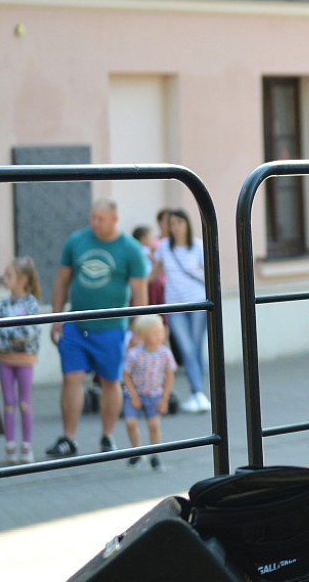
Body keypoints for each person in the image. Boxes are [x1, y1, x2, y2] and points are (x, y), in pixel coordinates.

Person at [47, 199, 148, 457]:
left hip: (111, 328)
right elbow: (61, 281)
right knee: (71, 378)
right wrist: (56, 317)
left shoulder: (131, 249)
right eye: (92, 217)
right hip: (76, 326)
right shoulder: (77, 241)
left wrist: (139, 331)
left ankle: (107, 436)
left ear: (114, 219)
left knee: (110, 382)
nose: (95, 223)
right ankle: (68, 438)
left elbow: (140, 293)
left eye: (101, 218)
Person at [151, 209, 208, 413]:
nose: (175, 227)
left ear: (187, 224)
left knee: (196, 348)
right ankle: (198, 393)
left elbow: (210, 273)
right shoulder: (164, 247)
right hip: (174, 305)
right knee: (186, 349)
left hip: (198, 303)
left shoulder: (199, 246)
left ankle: (197, 393)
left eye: (179, 223)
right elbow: (154, 274)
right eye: (172, 223)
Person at [0, 256, 42, 465]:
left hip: (25, 360)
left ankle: (26, 446)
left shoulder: (31, 303)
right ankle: (10, 447)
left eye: (9, 276)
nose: (4, 279)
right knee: (8, 403)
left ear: (23, 279)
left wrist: (14, 336)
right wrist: (11, 339)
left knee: (24, 403)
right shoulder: (2, 305)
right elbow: (0, 330)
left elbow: (32, 329)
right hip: (5, 359)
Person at [122, 314, 175, 472]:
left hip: (154, 395)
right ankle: (137, 451)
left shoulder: (165, 354)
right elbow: (126, 374)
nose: (160, 336)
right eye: (156, 333)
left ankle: (155, 455)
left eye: (162, 332)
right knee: (130, 422)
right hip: (135, 394)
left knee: (153, 425)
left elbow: (170, 375)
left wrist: (165, 398)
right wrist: (133, 395)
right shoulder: (134, 354)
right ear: (143, 335)